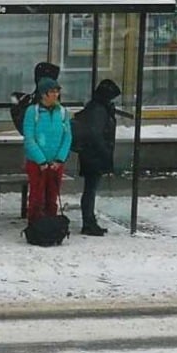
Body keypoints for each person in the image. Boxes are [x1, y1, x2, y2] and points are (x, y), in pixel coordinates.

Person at [23, 77, 72, 224]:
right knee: (37, 196)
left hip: (56, 162)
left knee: (52, 196)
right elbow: (29, 138)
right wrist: (41, 160)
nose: (56, 95)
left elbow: (67, 137)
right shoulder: (33, 112)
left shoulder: (62, 112)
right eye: (52, 92)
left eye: (57, 91)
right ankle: (35, 225)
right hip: (37, 163)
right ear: (43, 94)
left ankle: (51, 225)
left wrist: (59, 159)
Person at [78, 78, 121, 236]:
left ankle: (90, 221)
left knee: (90, 189)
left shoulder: (97, 107)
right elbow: (96, 134)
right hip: (93, 155)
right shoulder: (98, 109)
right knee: (90, 189)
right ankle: (88, 222)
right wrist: (105, 152)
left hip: (92, 153)